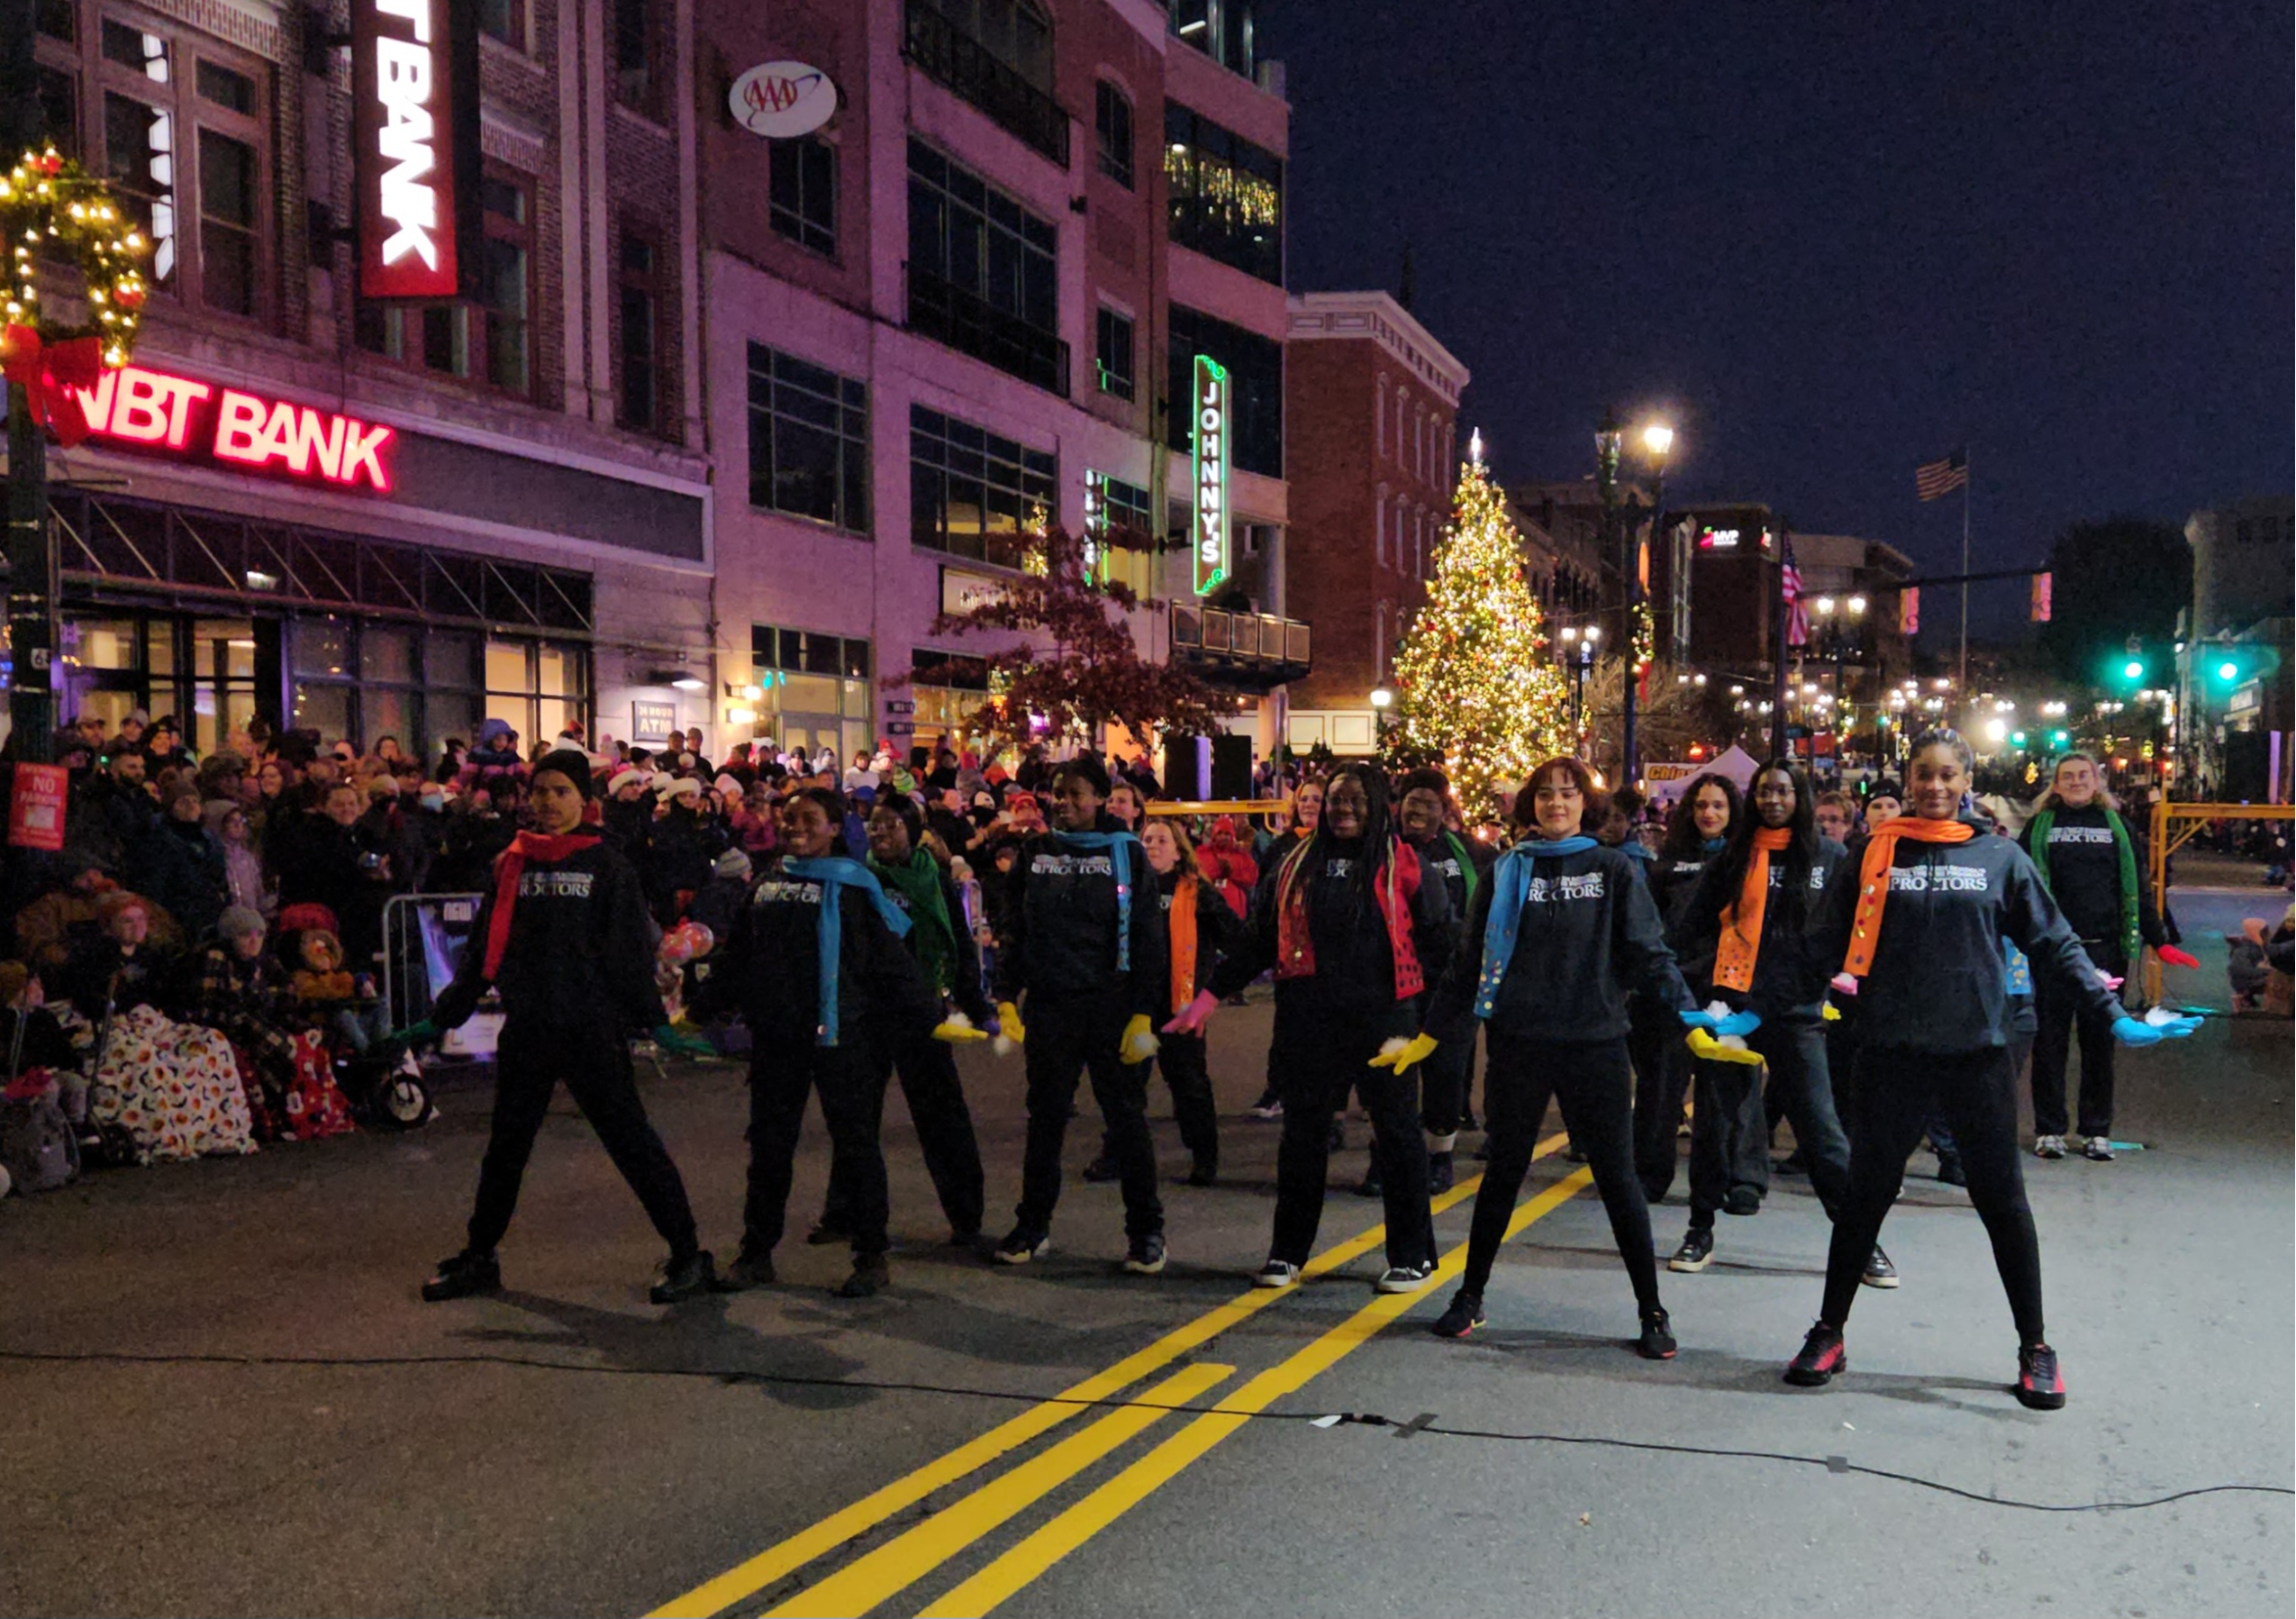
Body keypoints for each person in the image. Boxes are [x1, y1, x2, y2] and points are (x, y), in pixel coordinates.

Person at [1781, 729, 2198, 1409]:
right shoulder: (1873, 853)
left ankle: (2034, 1345)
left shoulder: (1998, 855)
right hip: (1889, 1055)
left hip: (1976, 1054)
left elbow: (2054, 940)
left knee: (2002, 1203)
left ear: (1966, 778)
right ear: (1907, 776)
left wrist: (2109, 1011)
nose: (1935, 786)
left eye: (1948, 774)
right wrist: (1746, 1007)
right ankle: (1829, 1330)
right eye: (1923, 774)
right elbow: (1816, 947)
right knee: (1863, 1199)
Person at [1412, 757, 1707, 1359]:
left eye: (1567, 794)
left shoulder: (1611, 868)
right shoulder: (1506, 870)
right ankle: (1469, 1296)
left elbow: (1649, 953)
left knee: (1617, 1178)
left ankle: (1651, 1309)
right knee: (1502, 1173)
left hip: (1595, 1042)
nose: (1554, 803)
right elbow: (1468, 960)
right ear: (1529, 805)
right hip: (1520, 1042)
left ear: (1584, 805)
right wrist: (1433, 1034)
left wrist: (1689, 1014)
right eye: (1544, 795)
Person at [400, 750, 717, 1305]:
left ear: (583, 801)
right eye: (540, 790)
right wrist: (444, 1014)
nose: (547, 801)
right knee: (506, 1149)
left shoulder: (607, 865)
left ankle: (690, 1255)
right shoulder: (514, 863)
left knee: (632, 1144)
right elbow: (483, 951)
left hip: (591, 1030)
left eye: (560, 791)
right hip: (529, 1029)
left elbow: (625, 954)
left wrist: (653, 1021)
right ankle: (480, 1256)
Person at [1184, 767, 1452, 1294]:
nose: (1342, 809)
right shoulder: (1293, 864)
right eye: (1334, 799)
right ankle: (1287, 1253)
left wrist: (1440, 1023)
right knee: (1302, 1137)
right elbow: (1258, 941)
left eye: (1355, 800)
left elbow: (1442, 945)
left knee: (1397, 1136)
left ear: (1377, 805)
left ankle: (1412, 1255)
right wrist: (1210, 996)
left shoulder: (1407, 865)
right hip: (1309, 1019)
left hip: (1386, 1021)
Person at [695, 787, 953, 1297]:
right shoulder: (768, 883)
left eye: (810, 818)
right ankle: (756, 1252)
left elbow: (889, 962)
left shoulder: (855, 886)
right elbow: (739, 957)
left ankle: (870, 1255)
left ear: (835, 828)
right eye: (789, 818)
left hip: (843, 1037)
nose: (796, 826)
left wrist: (932, 1014)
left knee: (856, 1147)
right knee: (769, 1148)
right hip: (777, 1038)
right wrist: (697, 1009)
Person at [1668, 761, 1893, 1287]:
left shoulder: (1830, 857)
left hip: (1795, 1013)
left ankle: (1862, 1243)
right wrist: (1696, 987)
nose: (1773, 799)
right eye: (1764, 790)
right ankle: (1699, 1228)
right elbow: (1691, 927)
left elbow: (1847, 934)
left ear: (1802, 796)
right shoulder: (1732, 857)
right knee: (1713, 1126)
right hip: (1731, 1009)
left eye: (1783, 791)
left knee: (1822, 1131)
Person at [990, 755, 1170, 1273]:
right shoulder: (1035, 852)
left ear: (1098, 799)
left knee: (1126, 1122)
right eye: (1057, 793)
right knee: (1045, 1121)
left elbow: (1147, 935)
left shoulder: (1126, 854)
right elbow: (1014, 926)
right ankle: (1032, 1226)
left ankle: (1146, 1232)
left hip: (1111, 1008)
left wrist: (1142, 1012)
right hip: (1051, 1007)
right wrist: (1006, 995)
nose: (1064, 802)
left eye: (1076, 793)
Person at [809, 790, 990, 1248]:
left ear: (914, 830)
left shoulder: (938, 884)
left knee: (941, 1117)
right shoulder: (857, 879)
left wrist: (976, 1004)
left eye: (891, 824)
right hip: (867, 1014)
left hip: (922, 1015)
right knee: (855, 1119)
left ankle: (966, 1216)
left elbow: (961, 947)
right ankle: (844, 1212)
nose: (881, 832)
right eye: (874, 824)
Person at [2019, 752, 2198, 1160]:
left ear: (2097, 780)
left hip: (2106, 950)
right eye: (2068, 776)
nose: (2076, 781)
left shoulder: (2118, 826)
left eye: (2084, 775)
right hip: (2053, 952)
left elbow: (2139, 883)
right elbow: (2017, 887)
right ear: (2056, 784)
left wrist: (2160, 939)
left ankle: (2096, 1131)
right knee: (2049, 1043)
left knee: (2100, 1042)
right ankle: (2049, 1130)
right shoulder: (2039, 827)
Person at [1084, 818, 1238, 1187]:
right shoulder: (1126, 891)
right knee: (1125, 1087)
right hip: (1133, 1005)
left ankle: (1205, 1158)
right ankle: (1117, 1154)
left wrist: (1210, 991)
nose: (1152, 844)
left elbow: (1238, 941)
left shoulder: (1198, 893)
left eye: (1161, 839)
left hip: (1179, 1008)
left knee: (1189, 1087)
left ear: (1178, 849)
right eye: (1147, 838)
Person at [1634, 773, 1761, 1207]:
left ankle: (1741, 1178)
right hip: (1676, 989)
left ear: (1733, 812)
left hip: (1730, 988)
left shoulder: (1748, 860)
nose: (1709, 813)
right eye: (1701, 805)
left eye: (1719, 806)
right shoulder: (1667, 862)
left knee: (1732, 1086)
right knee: (1662, 1087)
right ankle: (1649, 1174)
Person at [1395, 768, 1493, 1193]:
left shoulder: (1471, 853)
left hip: (1452, 982)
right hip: (1395, 981)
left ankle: (1440, 1157)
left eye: (1429, 804)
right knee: (1393, 1071)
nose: (1418, 811)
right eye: (1412, 802)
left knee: (1444, 1074)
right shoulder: (1381, 850)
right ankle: (1389, 1157)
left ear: (1444, 811)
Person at [1246, 777, 1323, 1119]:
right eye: (1304, 799)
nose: (1308, 805)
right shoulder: (1281, 845)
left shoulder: (1334, 845)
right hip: (1288, 949)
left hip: (1324, 951)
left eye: (1317, 800)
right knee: (1287, 1025)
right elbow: (1264, 892)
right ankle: (1277, 1090)